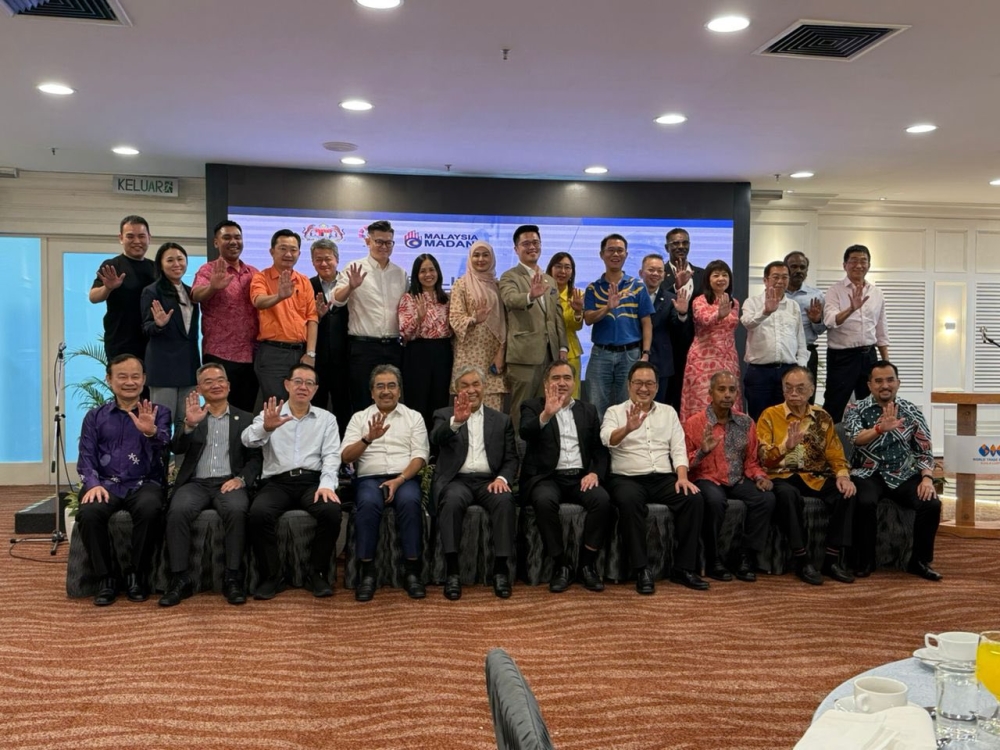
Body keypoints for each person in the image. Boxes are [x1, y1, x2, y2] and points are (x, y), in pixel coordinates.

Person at [601, 360, 707, 595]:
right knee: (629, 501)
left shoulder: (668, 412)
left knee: (693, 499)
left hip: (662, 477)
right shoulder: (615, 412)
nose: (644, 388)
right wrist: (628, 428)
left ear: (657, 387)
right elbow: (607, 439)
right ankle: (642, 569)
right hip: (626, 477)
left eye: (649, 383)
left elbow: (678, 448)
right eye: (638, 383)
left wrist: (682, 477)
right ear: (629, 385)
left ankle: (684, 568)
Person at [160, 363, 262, 607]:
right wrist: (190, 425)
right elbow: (177, 448)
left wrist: (241, 479)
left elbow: (256, 458)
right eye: (208, 381)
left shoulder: (246, 418)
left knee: (237, 511)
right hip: (196, 482)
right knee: (177, 510)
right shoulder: (193, 415)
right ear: (199, 388)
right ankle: (179, 579)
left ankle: (233, 577)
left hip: (229, 481)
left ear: (228, 385)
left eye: (220, 380)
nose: (215, 385)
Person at [75, 354, 170, 606]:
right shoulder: (94, 417)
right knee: (89, 513)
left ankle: (136, 575)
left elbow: (166, 444)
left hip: (145, 482)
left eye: (135, 376)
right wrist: (93, 484)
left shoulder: (159, 412)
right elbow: (86, 455)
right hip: (106, 484)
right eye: (123, 376)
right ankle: (105, 578)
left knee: (150, 509)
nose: (130, 382)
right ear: (109, 379)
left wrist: (151, 431)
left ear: (144, 379)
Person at [241, 364, 341, 600]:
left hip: (312, 482)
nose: (303, 387)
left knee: (331, 511)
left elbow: (332, 456)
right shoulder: (271, 413)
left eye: (309, 383)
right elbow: (247, 440)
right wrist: (266, 428)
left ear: (315, 389)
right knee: (258, 513)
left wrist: (327, 485)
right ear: (287, 385)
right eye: (298, 381)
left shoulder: (326, 419)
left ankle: (315, 572)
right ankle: (272, 576)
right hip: (278, 483)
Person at [757, 366, 858, 585]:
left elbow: (834, 451)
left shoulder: (822, 416)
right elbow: (763, 458)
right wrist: (785, 446)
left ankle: (831, 560)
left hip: (814, 476)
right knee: (787, 495)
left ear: (811, 390)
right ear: (783, 390)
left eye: (800, 388)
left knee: (846, 493)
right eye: (788, 388)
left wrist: (843, 475)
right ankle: (802, 560)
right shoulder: (770, 415)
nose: (794, 393)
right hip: (781, 476)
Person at [842, 361, 942, 581]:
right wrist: (879, 429)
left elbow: (924, 450)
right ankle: (864, 560)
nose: (884, 385)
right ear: (869, 385)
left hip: (903, 473)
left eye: (889, 380)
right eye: (878, 381)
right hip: (868, 472)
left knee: (931, 503)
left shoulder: (911, 411)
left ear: (898, 383)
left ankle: (919, 561)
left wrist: (926, 479)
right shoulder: (855, 409)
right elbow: (856, 439)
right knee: (864, 501)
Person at [520, 361, 610, 593]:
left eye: (567, 378)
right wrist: (546, 415)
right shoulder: (532, 406)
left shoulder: (587, 410)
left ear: (574, 382)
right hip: (548, 477)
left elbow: (599, 451)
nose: (562, 383)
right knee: (543, 501)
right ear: (546, 383)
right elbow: (526, 432)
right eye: (556, 378)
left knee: (602, 500)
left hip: (580, 477)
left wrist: (594, 472)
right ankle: (562, 565)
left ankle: (587, 566)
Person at [341, 364, 429, 602]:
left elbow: (420, 456)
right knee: (368, 504)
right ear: (372, 392)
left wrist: (400, 479)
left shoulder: (414, 417)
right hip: (369, 478)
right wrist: (368, 438)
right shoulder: (360, 418)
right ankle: (367, 573)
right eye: (380, 386)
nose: (386, 391)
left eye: (391, 386)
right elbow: (346, 456)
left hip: (404, 477)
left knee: (410, 501)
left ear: (399, 391)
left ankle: (412, 572)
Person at [430, 365, 518, 600]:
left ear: (484, 386)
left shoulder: (501, 420)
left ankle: (500, 571)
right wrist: (456, 422)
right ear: (456, 389)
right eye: (464, 385)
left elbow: (511, 458)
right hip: (457, 480)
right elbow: (435, 439)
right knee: (451, 501)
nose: (471, 390)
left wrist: (501, 478)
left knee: (505, 500)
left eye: (475, 384)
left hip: (489, 481)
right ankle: (453, 572)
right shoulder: (443, 414)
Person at [683, 371, 776, 583]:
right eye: (721, 389)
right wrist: (702, 451)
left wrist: (760, 476)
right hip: (706, 478)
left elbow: (751, 461)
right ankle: (713, 558)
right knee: (715, 501)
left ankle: (745, 557)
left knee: (765, 498)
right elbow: (684, 464)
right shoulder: (695, 423)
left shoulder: (746, 422)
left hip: (737, 478)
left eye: (732, 390)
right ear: (710, 393)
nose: (727, 395)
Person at [332, 220, 407, 413]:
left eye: (388, 242)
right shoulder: (354, 267)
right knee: (362, 400)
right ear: (368, 241)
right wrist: (351, 286)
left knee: (392, 401)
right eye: (379, 241)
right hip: (363, 347)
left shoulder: (400, 274)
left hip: (393, 346)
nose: (384, 246)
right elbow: (336, 300)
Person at [498, 225, 568, 432]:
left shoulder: (549, 279)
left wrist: (562, 346)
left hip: (551, 355)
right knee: (522, 409)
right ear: (516, 248)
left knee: (548, 406)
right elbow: (510, 300)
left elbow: (556, 316)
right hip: (524, 356)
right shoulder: (510, 276)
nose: (532, 247)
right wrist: (531, 295)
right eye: (526, 243)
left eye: (535, 243)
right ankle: (519, 459)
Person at [583, 234, 654, 421]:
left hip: (630, 354)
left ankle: (625, 449)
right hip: (601, 354)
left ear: (626, 254)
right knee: (596, 407)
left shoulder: (637, 286)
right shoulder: (593, 288)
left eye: (620, 250)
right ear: (601, 254)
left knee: (629, 407)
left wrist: (645, 353)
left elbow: (646, 322)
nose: (616, 254)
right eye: (611, 250)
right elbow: (588, 319)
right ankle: (599, 449)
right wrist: (607, 307)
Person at [191, 220, 260, 413]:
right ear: (216, 242)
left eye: (237, 237)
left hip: (251, 354)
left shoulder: (253, 272)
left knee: (245, 413)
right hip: (220, 353)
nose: (233, 242)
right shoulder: (208, 270)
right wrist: (213, 286)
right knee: (218, 411)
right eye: (227, 237)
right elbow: (195, 295)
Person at [250, 230, 319, 403]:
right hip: (273, 353)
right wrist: (279, 296)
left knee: (300, 405)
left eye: (293, 250)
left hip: (301, 353)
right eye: (283, 248)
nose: (288, 254)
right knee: (278, 405)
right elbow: (258, 301)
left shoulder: (304, 281)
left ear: (299, 253)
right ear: (272, 251)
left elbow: (312, 318)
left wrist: (310, 353)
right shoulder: (261, 277)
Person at [823, 244, 890, 422]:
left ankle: (868, 446)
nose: (859, 265)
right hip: (842, 357)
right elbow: (830, 321)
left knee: (871, 404)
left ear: (869, 265)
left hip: (869, 355)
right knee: (834, 404)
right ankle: (828, 448)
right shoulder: (834, 291)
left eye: (863, 261)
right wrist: (851, 309)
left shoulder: (876, 293)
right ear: (844, 265)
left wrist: (885, 361)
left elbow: (881, 330)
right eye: (853, 261)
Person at [140, 242, 200, 432]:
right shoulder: (152, 291)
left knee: (187, 424)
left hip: (189, 366)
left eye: (180, 259)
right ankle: (161, 463)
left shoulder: (192, 292)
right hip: (163, 367)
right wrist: (158, 324)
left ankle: (184, 463)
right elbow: (146, 327)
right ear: (161, 264)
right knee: (162, 423)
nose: (176, 264)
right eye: (170, 260)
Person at [740, 260, 808, 420]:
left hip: (788, 371)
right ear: (765, 280)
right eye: (775, 277)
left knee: (789, 418)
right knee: (759, 419)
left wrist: (801, 368)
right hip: (760, 373)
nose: (780, 281)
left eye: (784, 277)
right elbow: (748, 323)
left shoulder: (793, 306)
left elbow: (800, 340)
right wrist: (766, 311)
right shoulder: (752, 302)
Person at [89, 215, 157, 362]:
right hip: (120, 342)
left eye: (141, 236)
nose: (137, 241)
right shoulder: (112, 265)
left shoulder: (156, 268)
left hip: (152, 342)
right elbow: (93, 297)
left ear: (149, 238)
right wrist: (108, 288)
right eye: (130, 236)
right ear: (121, 238)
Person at [680, 260, 741, 422]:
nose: (721, 278)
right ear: (708, 279)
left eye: (724, 275)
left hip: (728, 359)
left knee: (728, 402)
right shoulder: (699, 300)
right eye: (716, 275)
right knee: (702, 404)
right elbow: (703, 319)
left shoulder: (734, 303)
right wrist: (718, 315)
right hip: (702, 361)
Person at [449, 241, 508, 411]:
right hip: (469, 354)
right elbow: (455, 318)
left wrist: (501, 352)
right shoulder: (461, 284)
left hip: (493, 355)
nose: (480, 259)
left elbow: (506, 323)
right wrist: (475, 319)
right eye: (476, 255)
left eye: (485, 255)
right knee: (467, 404)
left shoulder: (498, 286)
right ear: (470, 258)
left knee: (493, 411)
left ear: (492, 258)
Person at [399, 253, 452, 431]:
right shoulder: (409, 298)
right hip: (417, 353)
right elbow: (405, 333)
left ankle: (437, 449)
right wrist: (418, 318)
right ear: (416, 275)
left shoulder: (446, 299)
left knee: (440, 402)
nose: (428, 274)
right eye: (423, 271)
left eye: (432, 270)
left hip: (442, 352)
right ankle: (418, 448)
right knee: (417, 402)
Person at [309, 238, 352, 436]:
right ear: (312, 262)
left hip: (346, 357)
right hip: (317, 359)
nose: (324, 264)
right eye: (319, 260)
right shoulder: (307, 285)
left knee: (345, 408)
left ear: (337, 259)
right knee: (316, 409)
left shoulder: (350, 284)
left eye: (328, 259)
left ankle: (345, 457)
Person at [638, 253, 691, 405]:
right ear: (641, 273)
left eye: (659, 271)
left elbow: (678, 330)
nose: (655, 274)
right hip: (632, 358)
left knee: (659, 409)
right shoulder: (631, 296)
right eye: (651, 270)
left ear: (664, 275)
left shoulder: (671, 298)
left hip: (661, 363)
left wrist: (682, 314)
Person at [661, 228, 704, 412]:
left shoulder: (702, 274)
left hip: (696, 348)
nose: (680, 247)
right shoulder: (658, 273)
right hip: (665, 348)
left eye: (684, 243)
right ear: (666, 247)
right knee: (664, 402)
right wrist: (675, 285)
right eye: (675, 243)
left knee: (689, 402)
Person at [784, 252, 826, 389]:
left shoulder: (816, 295)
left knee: (806, 396)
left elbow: (820, 331)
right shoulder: (774, 295)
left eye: (802, 267)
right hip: (782, 353)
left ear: (807, 271)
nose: (798, 271)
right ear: (786, 269)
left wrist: (816, 320)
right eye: (794, 267)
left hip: (807, 352)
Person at [546, 252, 585, 398]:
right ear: (550, 269)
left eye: (567, 267)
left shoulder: (576, 295)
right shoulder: (542, 293)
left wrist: (577, 311)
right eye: (558, 266)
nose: (563, 271)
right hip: (545, 351)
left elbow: (576, 326)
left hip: (570, 352)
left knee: (571, 396)